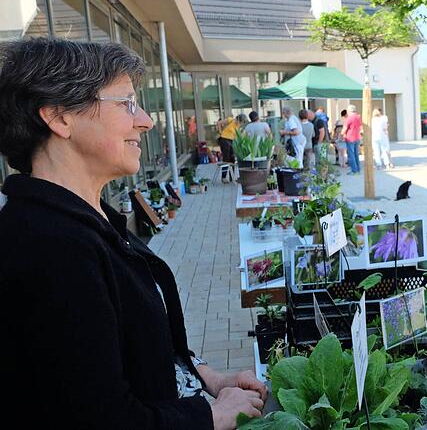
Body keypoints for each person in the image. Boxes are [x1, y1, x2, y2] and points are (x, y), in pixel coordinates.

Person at [0, 38, 266, 429]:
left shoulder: (89, 219)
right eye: (125, 103)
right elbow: (101, 417)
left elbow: (126, 349)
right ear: (59, 118)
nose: (146, 120)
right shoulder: (50, 247)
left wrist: (207, 376)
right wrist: (209, 416)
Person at [343, 104, 362, 174]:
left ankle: (354, 170)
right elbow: (360, 127)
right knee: (356, 154)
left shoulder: (349, 118)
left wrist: (342, 134)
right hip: (357, 137)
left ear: (349, 111)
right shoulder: (358, 116)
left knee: (351, 155)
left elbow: (345, 128)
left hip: (350, 138)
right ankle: (358, 169)